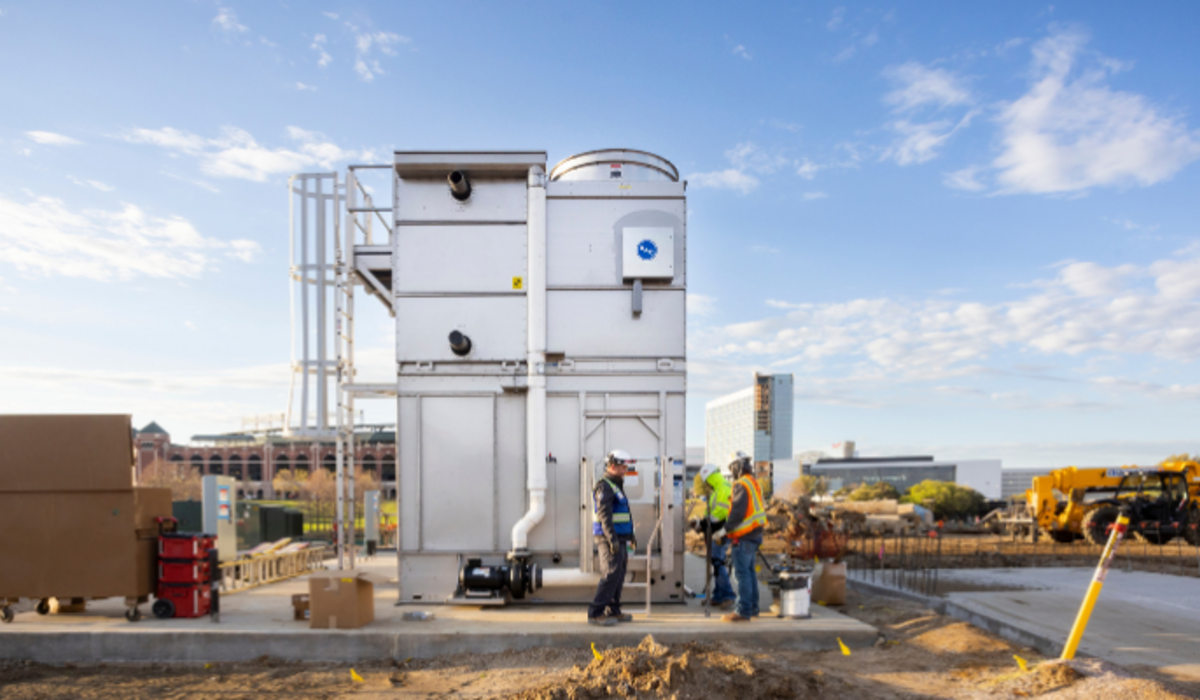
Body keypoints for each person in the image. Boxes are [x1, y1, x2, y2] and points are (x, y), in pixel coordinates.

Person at [588, 449, 636, 626]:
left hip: (620, 538)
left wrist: (630, 535)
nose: (626, 470)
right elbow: (604, 515)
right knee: (611, 574)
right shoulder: (605, 486)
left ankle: (613, 610)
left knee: (619, 574)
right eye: (623, 467)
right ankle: (595, 613)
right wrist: (612, 539)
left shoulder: (616, 486)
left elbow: (624, 513)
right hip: (608, 538)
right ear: (613, 466)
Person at [721, 451, 767, 623]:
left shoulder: (740, 484)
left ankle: (743, 611)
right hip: (755, 534)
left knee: (742, 575)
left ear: (737, 467)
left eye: (732, 467)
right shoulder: (754, 482)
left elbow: (738, 513)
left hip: (744, 536)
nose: (732, 471)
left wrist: (724, 530)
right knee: (749, 573)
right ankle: (752, 607)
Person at [689, 463, 735, 609]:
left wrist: (702, 524)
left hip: (720, 532)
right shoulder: (719, 489)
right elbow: (712, 515)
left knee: (717, 562)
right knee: (716, 563)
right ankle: (718, 596)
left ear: (709, 477)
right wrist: (701, 524)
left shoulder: (723, 488)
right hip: (716, 532)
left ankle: (728, 595)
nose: (705, 485)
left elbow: (719, 515)